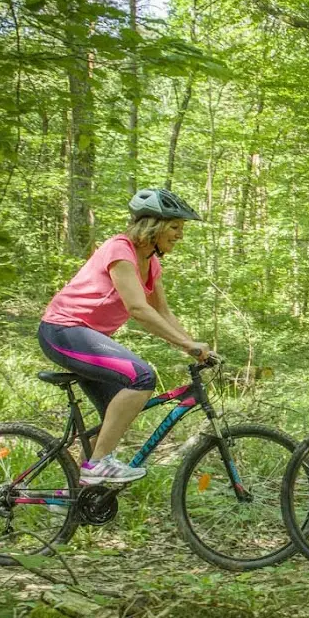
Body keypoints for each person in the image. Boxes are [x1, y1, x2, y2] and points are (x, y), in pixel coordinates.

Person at [38, 188, 213, 485]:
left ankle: (78, 491)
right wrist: (186, 344)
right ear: (152, 225)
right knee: (142, 377)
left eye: (181, 228)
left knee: (114, 416)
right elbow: (138, 309)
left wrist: (194, 347)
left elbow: (164, 313)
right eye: (174, 227)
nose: (180, 235)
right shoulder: (120, 250)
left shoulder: (152, 263)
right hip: (63, 331)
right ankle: (97, 466)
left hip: (87, 337)